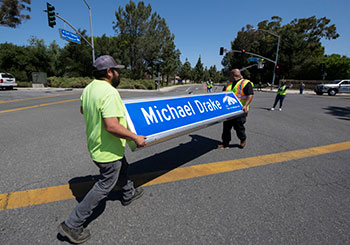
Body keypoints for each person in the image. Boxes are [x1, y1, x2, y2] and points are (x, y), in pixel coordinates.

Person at [58, 55, 146, 244]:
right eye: (116, 70)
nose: (118, 73)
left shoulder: (89, 89)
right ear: (108, 72)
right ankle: (72, 224)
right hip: (107, 150)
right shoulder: (109, 92)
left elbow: (83, 110)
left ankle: (128, 192)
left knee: (122, 166)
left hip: (97, 145)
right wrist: (135, 137)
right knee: (104, 185)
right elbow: (112, 126)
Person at [217, 69, 254, 149]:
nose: (228, 77)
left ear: (234, 76)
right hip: (229, 111)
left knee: (239, 128)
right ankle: (225, 143)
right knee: (226, 128)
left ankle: (243, 139)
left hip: (240, 111)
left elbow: (250, 95)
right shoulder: (228, 84)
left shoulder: (246, 83)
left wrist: (246, 105)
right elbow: (222, 95)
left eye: (229, 75)